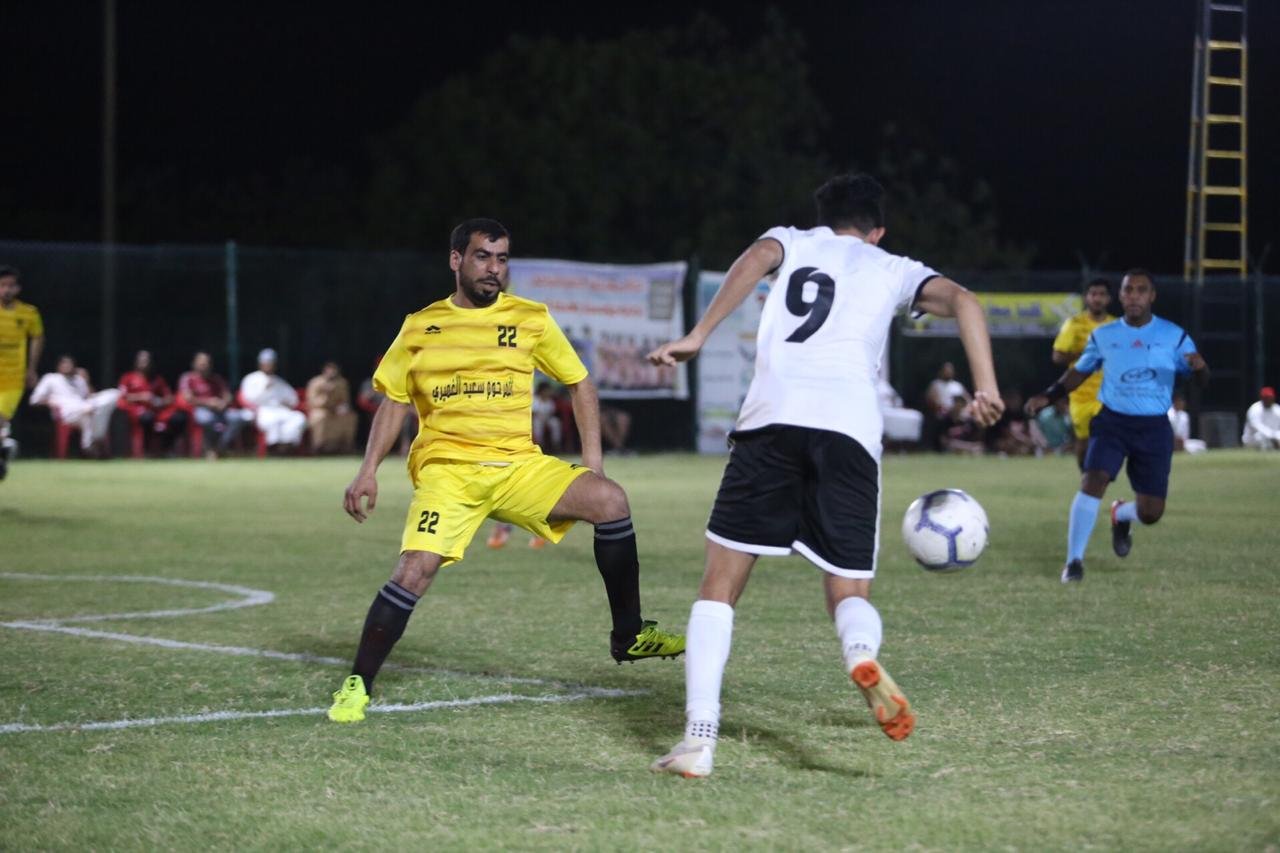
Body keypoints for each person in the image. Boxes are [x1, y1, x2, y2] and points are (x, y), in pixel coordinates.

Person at [645, 173, 1003, 777]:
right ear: (877, 230)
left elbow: (755, 258)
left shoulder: (792, 241)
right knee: (847, 590)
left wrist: (699, 334)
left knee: (719, 586)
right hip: (849, 431)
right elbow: (966, 300)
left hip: (771, 420)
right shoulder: (894, 268)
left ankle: (698, 740)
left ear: (821, 218)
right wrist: (986, 388)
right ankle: (859, 652)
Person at [327, 218, 684, 723]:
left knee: (610, 501)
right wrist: (368, 471)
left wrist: (595, 464)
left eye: (502, 259)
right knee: (413, 569)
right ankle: (357, 684)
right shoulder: (420, 326)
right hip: (448, 472)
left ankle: (629, 635)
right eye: (482, 257)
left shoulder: (531, 318)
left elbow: (580, 382)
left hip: (518, 467)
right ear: (456, 260)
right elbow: (395, 401)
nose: (494, 268)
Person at [1026, 269, 1209, 583]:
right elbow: (1079, 371)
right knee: (1092, 479)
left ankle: (1121, 514)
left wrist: (1201, 367)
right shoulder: (1105, 335)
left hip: (1154, 428)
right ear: (1121, 296)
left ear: (1152, 296)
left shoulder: (1173, 335)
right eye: (1128, 290)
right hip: (1112, 422)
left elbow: (1201, 379)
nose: (1134, 296)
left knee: (1151, 512)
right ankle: (1073, 562)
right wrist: (1049, 395)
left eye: (1141, 290)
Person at [1051, 277, 1115, 469]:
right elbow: (1057, 356)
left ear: (1109, 299)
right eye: (1093, 294)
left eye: (1102, 294)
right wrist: (1084, 354)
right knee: (1084, 442)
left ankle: (1100, 475)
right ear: (1086, 298)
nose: (1097, 299)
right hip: (1081, 394)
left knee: (1107, 435)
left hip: (1108, 393)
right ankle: (1085, 476)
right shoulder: (1074, 324)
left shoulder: (1117, 326)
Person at [0, 265, 44, 479]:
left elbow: (37, 337)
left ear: (18, 288)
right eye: (2, 285)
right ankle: (4, 449)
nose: (6, 289)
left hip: (13, 378)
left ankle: (4, 449)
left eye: (11, 285)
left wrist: (32, 369)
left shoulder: (28, 313)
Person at [30, 355, 121, 456]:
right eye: (64, 363)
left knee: (114, 394)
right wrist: (50, 402)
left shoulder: (78, 379)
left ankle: (90, 445)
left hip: (83, 408)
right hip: (65, 412)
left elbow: (88, 397)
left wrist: (86, 380)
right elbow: (34, 399)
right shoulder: (51, 378)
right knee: (92, 412)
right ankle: (93, 444)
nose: (67, 366)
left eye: (69, 363)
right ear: (58, 366)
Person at [117, 349, 187, 455]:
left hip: (157, 411)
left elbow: (168, 398)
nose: (145, 363)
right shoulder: (128, 378)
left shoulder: (157, 379)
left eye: (147, 361)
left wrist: (159, 401)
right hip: (136, 411)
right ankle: (147, 451)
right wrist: (141, 397)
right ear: (136, 362)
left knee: (179, 418)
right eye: (142, 361)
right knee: (147, 418)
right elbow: (122, 397)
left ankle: (166, 448)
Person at [178, 351, 244, 459]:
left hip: (219, 410)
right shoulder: (188, 378)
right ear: (194, 364)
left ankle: (219, 447)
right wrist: (208, 403)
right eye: (201, 363)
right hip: (198, 409)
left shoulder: (216, 379)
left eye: (207, 363)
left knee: (238, 418)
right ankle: (209, 448)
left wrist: (224, 403)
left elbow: (227, 395)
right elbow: (188, 398)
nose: (204, 365)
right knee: (207, 419)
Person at [239, 348, 307, 451]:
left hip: (281, 410)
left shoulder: (279, 381)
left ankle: (286, 446)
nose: (269, 366)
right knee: (273, 420)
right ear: (260, 364)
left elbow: (293, 399)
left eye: (271, 363)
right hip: (263, 410)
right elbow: (247, 399)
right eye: (266, 363)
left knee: (299, 418)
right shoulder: (251, 379)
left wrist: (288, 402)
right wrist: (264, 389)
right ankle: (273, 448)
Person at [306, 361, 357, 454]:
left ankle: (345, 446)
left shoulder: (342, 383)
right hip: (320, 409)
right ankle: (318, 446)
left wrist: (340, 408)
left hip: (336, 410)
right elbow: (312, 402)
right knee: (320, 417)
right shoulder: (315, 382)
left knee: (350, 416)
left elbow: (345, 400)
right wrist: (326, 395)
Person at [924, 361, 970, 451]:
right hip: (943, 412)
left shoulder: (957, 385)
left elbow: (967, 400)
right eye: (946, 370)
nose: (948, 372)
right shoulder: (936, 384)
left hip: (959, 413)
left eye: (950, 370)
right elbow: (931, 399)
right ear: (941, 371)